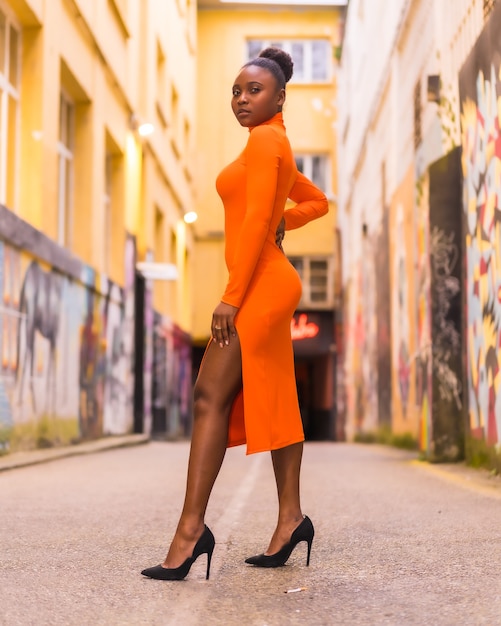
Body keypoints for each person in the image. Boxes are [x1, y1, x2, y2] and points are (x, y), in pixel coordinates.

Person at [141, 47, 328, 581]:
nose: (242, 99)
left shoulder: (268, 140)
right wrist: (282, 216)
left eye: (254, 91)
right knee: (275, 396)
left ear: (280, 97)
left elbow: (252, 231)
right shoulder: (271, 144)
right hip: (265, 281)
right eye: (236, 91)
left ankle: (190, 532)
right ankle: (291, 519)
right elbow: (316, 201)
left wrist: (232, 294)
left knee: (209, 397)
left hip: (260, 285)